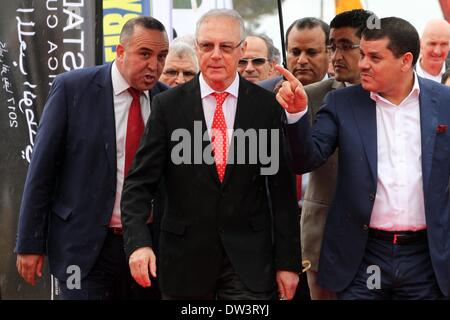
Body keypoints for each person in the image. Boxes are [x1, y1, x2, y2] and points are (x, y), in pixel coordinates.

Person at [121, 9, 301, 300]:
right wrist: (138, 243)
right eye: (207, 46)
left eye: (226, 47)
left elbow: (281, 193)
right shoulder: (168, 107)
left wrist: (288, 263)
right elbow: (138, 185)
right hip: (184, 263)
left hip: (249, 264)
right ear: (197, 48)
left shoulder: (266, 107)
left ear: (241, 50)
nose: (215, 55)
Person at [276, 17, 450, 299]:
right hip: (363, 255)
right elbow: (306, 159)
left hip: (427, 257)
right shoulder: (342, 103)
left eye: (374, 57)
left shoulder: (444, 103)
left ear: (405, 60)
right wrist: (296, 115)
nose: (363, 64)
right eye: (363, 55)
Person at [15, 16, 169, 299]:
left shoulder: (167, 101)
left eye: (162, 56)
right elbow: (42, 170)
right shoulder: (73, 89)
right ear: (120, 52)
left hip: (146, 249)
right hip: (81, 248)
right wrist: (29, 242)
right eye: (144, 54)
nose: (154, 65)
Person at [301, 9, 374, 300]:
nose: (336, 55)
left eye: (346, 46)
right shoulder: (308, 97)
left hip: (379, 241)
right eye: (333, 46)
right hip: (323, 236)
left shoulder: (393, 99)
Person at [259, 17, 329, 92]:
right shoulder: (262, 91)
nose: (302, 61)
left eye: (312, 53)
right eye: (295, 53)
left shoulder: (341, 92)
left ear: (330, 53)